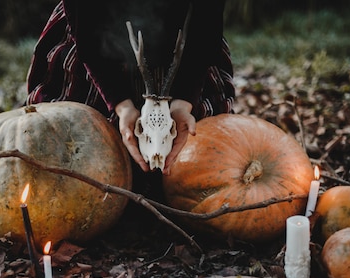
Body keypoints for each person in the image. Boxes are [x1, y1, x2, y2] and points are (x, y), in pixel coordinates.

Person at [26, 0, 235, 176]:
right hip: (94, 37)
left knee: (206, 158)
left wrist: (184, 102)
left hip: (186, 38)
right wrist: (121, 104)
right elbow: (87, 30)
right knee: (77, 145)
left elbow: (207, 20)